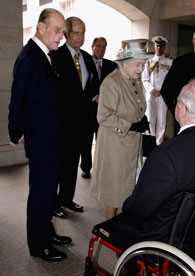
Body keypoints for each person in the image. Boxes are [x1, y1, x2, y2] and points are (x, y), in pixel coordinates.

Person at [93, 79, 195, 251]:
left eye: (177, 102)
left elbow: (137, 210)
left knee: (116, 225)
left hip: (158, 237)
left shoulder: (166, 156)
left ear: (182, 110)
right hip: (192, 229)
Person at [8, 8, 72, 262]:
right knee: (41, 192)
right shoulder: (29, 58)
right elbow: (18, 101)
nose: (61, 36)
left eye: (63, 32)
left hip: (50, 136)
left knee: (48, 191)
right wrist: (16, 131)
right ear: (41, 27)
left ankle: (47, 231)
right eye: (57, 30)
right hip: (41, 139)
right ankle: (38, 244)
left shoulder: (44, 54)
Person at [90, 39, 152, 220]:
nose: (141, 69)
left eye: (143, 64)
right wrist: (131, 125)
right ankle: (109, 234)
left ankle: (121, 233)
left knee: (128, 193)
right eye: (138, 64)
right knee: (114, 196)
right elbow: (103, 117)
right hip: (115, 148)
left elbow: (137, 105)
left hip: (132, 146)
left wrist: (142, 118)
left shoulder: (135, 80)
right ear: (125, 62)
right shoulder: (112, 82)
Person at [51, 17, 99, 218]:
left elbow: (92, 86)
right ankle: (53, 204)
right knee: (59, 166)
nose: (80, 37)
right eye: (76, 33)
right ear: (66, 34)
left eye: (83, 32)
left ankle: (67, 199)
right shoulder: (55, 56)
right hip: (62, 123)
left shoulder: (87, 58)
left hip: (83, 123)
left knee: (73, 164)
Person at [80, 37, 118, 179]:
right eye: (99, 46)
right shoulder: (84, 63)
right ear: (92, 47)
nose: (101, 49)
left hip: (105, 112)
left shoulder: (112, 66)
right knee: (86, 142)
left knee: (103, 142)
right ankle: (85, 168)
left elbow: (116, 87)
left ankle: (103, 169)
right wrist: (93, 96)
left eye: (104, 47)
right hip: (87, 111)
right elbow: (81, 87)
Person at [142, 36, 172, 145]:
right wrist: (151, 90)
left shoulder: (169, 62)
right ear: (154, 46)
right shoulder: (149, 62)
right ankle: (150, 145)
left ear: (164, 47)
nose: (159, 48)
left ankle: (158, 146)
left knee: (161, 122)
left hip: (163, 96)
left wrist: (162, 91)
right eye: (157, 46)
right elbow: (144, 79)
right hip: (151, 96)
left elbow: (170, 80)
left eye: (161, 46)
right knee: (150, 120)